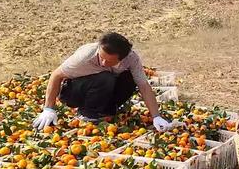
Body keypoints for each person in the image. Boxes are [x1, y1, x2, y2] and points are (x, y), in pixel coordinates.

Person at [31, 32, 173, 131]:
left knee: (129, 78)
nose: (103, 62)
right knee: (105, 76)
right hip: (74, 92)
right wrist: (48, 109)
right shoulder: (84, 57)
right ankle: (87, 113)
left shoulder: (131, 59)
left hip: (100, 90)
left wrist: (156, 116)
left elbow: (144, 86)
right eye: (101, 57)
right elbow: (56, 75)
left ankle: (106, 110)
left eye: (109, 60)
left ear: (122, 58)